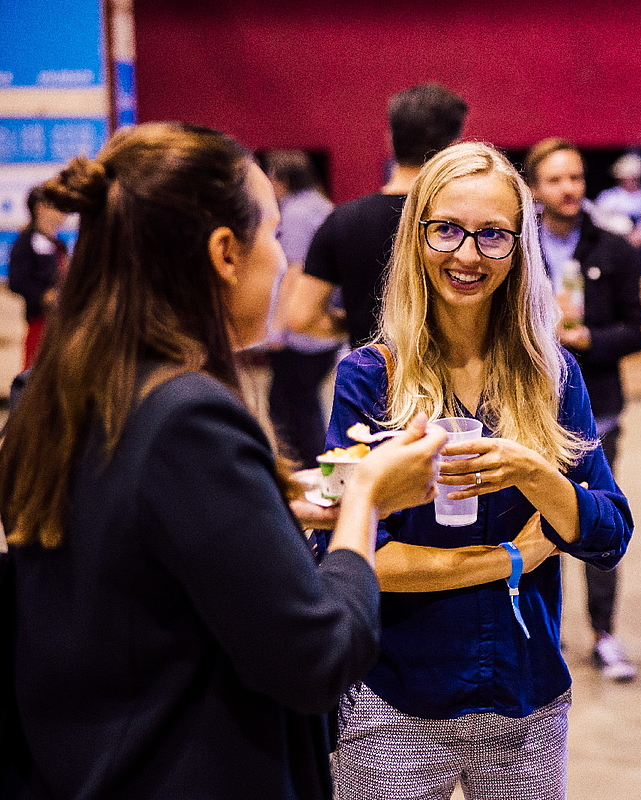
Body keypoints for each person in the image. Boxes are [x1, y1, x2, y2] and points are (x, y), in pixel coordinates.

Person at [0, 122, 452, 798]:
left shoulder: (47, 390)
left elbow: (135, 541)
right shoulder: (189, 419)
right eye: (272, 234)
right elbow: (319, 655)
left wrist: (275, 499)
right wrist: (367, 499)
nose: (282, 262)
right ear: (225, 253)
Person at [324, 141, 633, 799]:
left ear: (520, 248)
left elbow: (609, 533)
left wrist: (535, 473)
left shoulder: (552, 376)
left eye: (493, 234)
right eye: (447, 229)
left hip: (526, 699)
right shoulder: (371, 379)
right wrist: (512, 558)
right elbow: (349, 557)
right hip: (394, 703)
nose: (468, 255)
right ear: (417, 237)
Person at [525, 137, 641, 683]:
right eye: (555, 179)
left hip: (597, 409)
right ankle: (541, 633)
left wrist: (588, 339)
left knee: (597, 518)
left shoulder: (613, 249)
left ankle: (604, 634)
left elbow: (636, 330)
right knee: (530, 522)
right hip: (526, 411)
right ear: (535, 188)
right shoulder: (515, 246)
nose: (569, 188)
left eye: (575, 177)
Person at [287, 82, 468, 349]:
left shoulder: (343, 220)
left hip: (373, 369)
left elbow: (301, 318)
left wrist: (363, 327)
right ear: (453, 147)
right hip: (447, 369)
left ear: (390, 139)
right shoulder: (464, 221)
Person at [262, 149, 340, 467]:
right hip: (325, 326)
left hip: (299, 331)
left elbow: (294, 271)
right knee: (297, 403)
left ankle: (312, 470)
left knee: (294, 408)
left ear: (281, 178)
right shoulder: (324, 205)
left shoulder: (294, 213)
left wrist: (277, 327)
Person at [7, 186, 69, 367]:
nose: (63, 213)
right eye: (57, 207)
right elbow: (17, 281)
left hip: (62, 321)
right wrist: (44, 295)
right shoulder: (25, 243)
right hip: (39, 321)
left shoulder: (59, 244)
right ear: (40, 208)